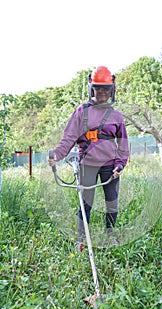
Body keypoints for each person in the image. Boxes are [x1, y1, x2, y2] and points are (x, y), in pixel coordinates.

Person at [48, 66, 129, 249]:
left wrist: (120, 165)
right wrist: (57, 155)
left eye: (105, 89)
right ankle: (82, 239)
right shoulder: (81, 112)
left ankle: (110, 235)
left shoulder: (116, 116)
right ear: (91, 88)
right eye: (98, 87)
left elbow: (123, 144)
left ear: (111, 91)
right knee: (86, 204)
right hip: (88, 164)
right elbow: (68, 137)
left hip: (110, 165)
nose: (102, 92)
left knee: (112, 203)